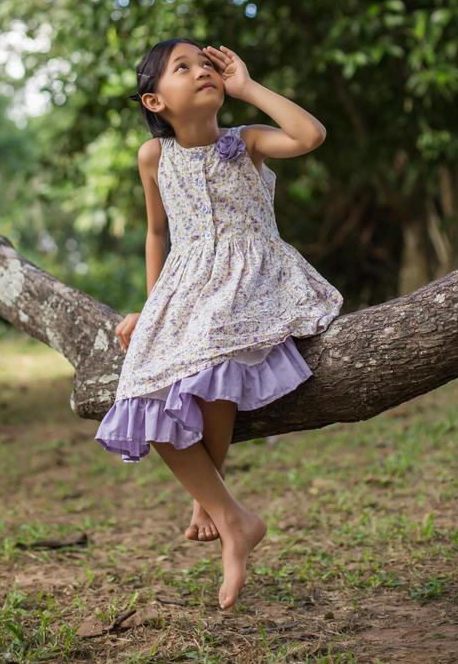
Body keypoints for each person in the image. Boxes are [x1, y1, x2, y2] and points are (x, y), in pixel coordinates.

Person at [94, 37, 344, 610]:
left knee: (212, 351)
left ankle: (215, 505)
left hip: (251, 275)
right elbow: (158, 233)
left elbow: (309, 137)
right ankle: (230, 513)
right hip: (187, 285)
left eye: (207, 64)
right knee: (141, 387)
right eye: (183, 68)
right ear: (155, 102)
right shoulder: (152, 158)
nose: (202, 71)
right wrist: (152, 309)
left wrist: (250, 88)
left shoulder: (247, 142)